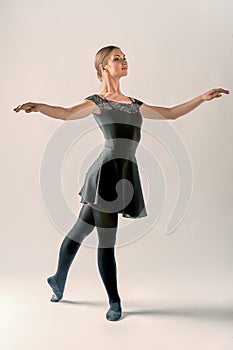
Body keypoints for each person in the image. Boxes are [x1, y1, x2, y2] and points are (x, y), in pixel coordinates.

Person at [13, 45, 230, 321]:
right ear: (103, 66)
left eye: (125, 58)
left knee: (79, 232)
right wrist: (40, 107)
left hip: (124, 175)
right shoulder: (98, 102)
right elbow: (67, 113)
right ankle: (114, 302)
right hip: (105, 176)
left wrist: (201, 97)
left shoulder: (134, 104)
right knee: (107, 242)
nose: (124, 61)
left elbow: (171, 113)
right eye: (118, 58)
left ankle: (57, 279)